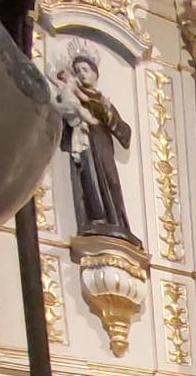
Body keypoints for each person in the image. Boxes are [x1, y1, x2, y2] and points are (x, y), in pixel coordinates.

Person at [56, 51, 138, 242]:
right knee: (89, 178)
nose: (82, 74)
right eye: (78, 71)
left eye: (85, 70)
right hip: (85, 143)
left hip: (102, 143)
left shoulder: (101, 100)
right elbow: (66, 113)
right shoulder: (72, 94)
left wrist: (108, 112)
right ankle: (96, 218)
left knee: (111, 181)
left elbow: (124, 132)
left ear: (95, 74)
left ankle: (116, 222)